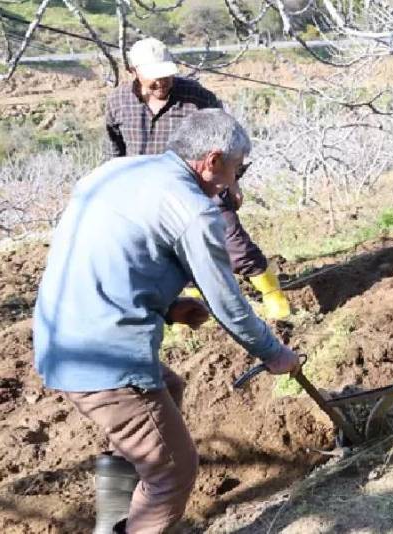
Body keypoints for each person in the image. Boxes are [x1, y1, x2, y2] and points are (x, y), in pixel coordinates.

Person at [33, 109, 300, 534]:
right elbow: (228, 304)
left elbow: (117, 258)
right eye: (239, 168)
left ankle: (112, 523)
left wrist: (170, 305)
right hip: (106, 358)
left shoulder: (118, 171)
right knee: (173, 472)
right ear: (213, 161)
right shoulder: (194, 210)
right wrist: (273, 352)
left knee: (166, 392)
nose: (237, 179)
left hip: (59, 336)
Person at [105, 37, 290, 319]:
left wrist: (233, 181)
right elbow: (114, 150)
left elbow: (229, 139)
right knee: (171, 256)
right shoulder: (118, 103)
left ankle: (272, 293)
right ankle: (193, 311)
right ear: (133, 71)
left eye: (167, 74)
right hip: (148, 193)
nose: (162, 82)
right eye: (154, 77)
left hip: (200, 185)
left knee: (233, 242)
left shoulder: (198, 97)